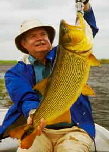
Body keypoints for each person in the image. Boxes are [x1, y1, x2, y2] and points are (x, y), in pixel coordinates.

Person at [0, 0, 99, 151]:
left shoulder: (66, 52)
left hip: (75, 128)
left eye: (43, 34)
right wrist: (33, 113)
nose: (40, 38)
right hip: (41, 130)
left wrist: (85, 6)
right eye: (33, 36)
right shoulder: (14, 73)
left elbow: (88, 29)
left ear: (49, 39)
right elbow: (25, 98)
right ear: (23, 45)